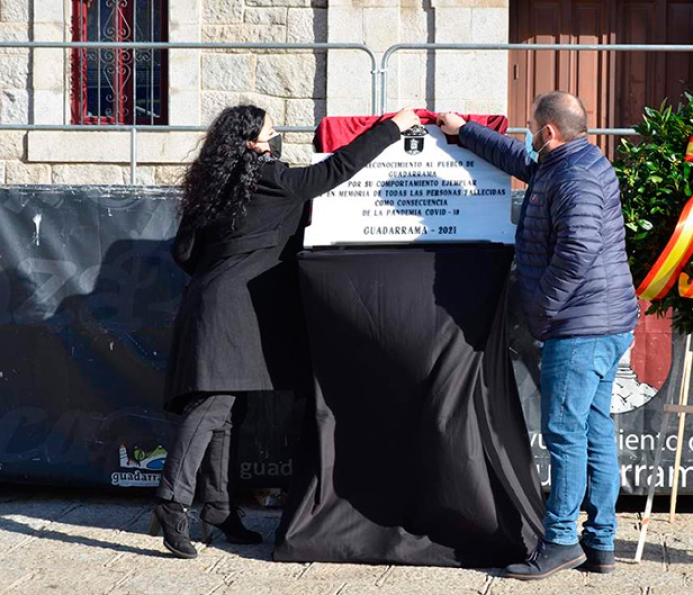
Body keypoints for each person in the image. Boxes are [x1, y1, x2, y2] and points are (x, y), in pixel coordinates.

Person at [151, 104, 422, 559]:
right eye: (271, 133)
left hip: (210, 300)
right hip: (232, 309)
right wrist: (391, 129)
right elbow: (335, 170)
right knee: (211, 408)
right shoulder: (270, 177)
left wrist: (224, 268)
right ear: (252, 144)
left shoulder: (212, 184)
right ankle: (171, 501)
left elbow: (184, 251)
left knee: (226, 412)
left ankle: (218, 509)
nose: (277, 138)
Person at [437, 92, 639, 580]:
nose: (528, 135)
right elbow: (520, 161)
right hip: (598, 320)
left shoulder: (574, 176)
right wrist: (463, 130)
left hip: (580, 325)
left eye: (532, 127)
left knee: (566, 434)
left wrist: (541, 308)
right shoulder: (570, 160)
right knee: (593, 430)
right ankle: (602, 543)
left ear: (549, 131)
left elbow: (577, 251)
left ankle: (562, 540)